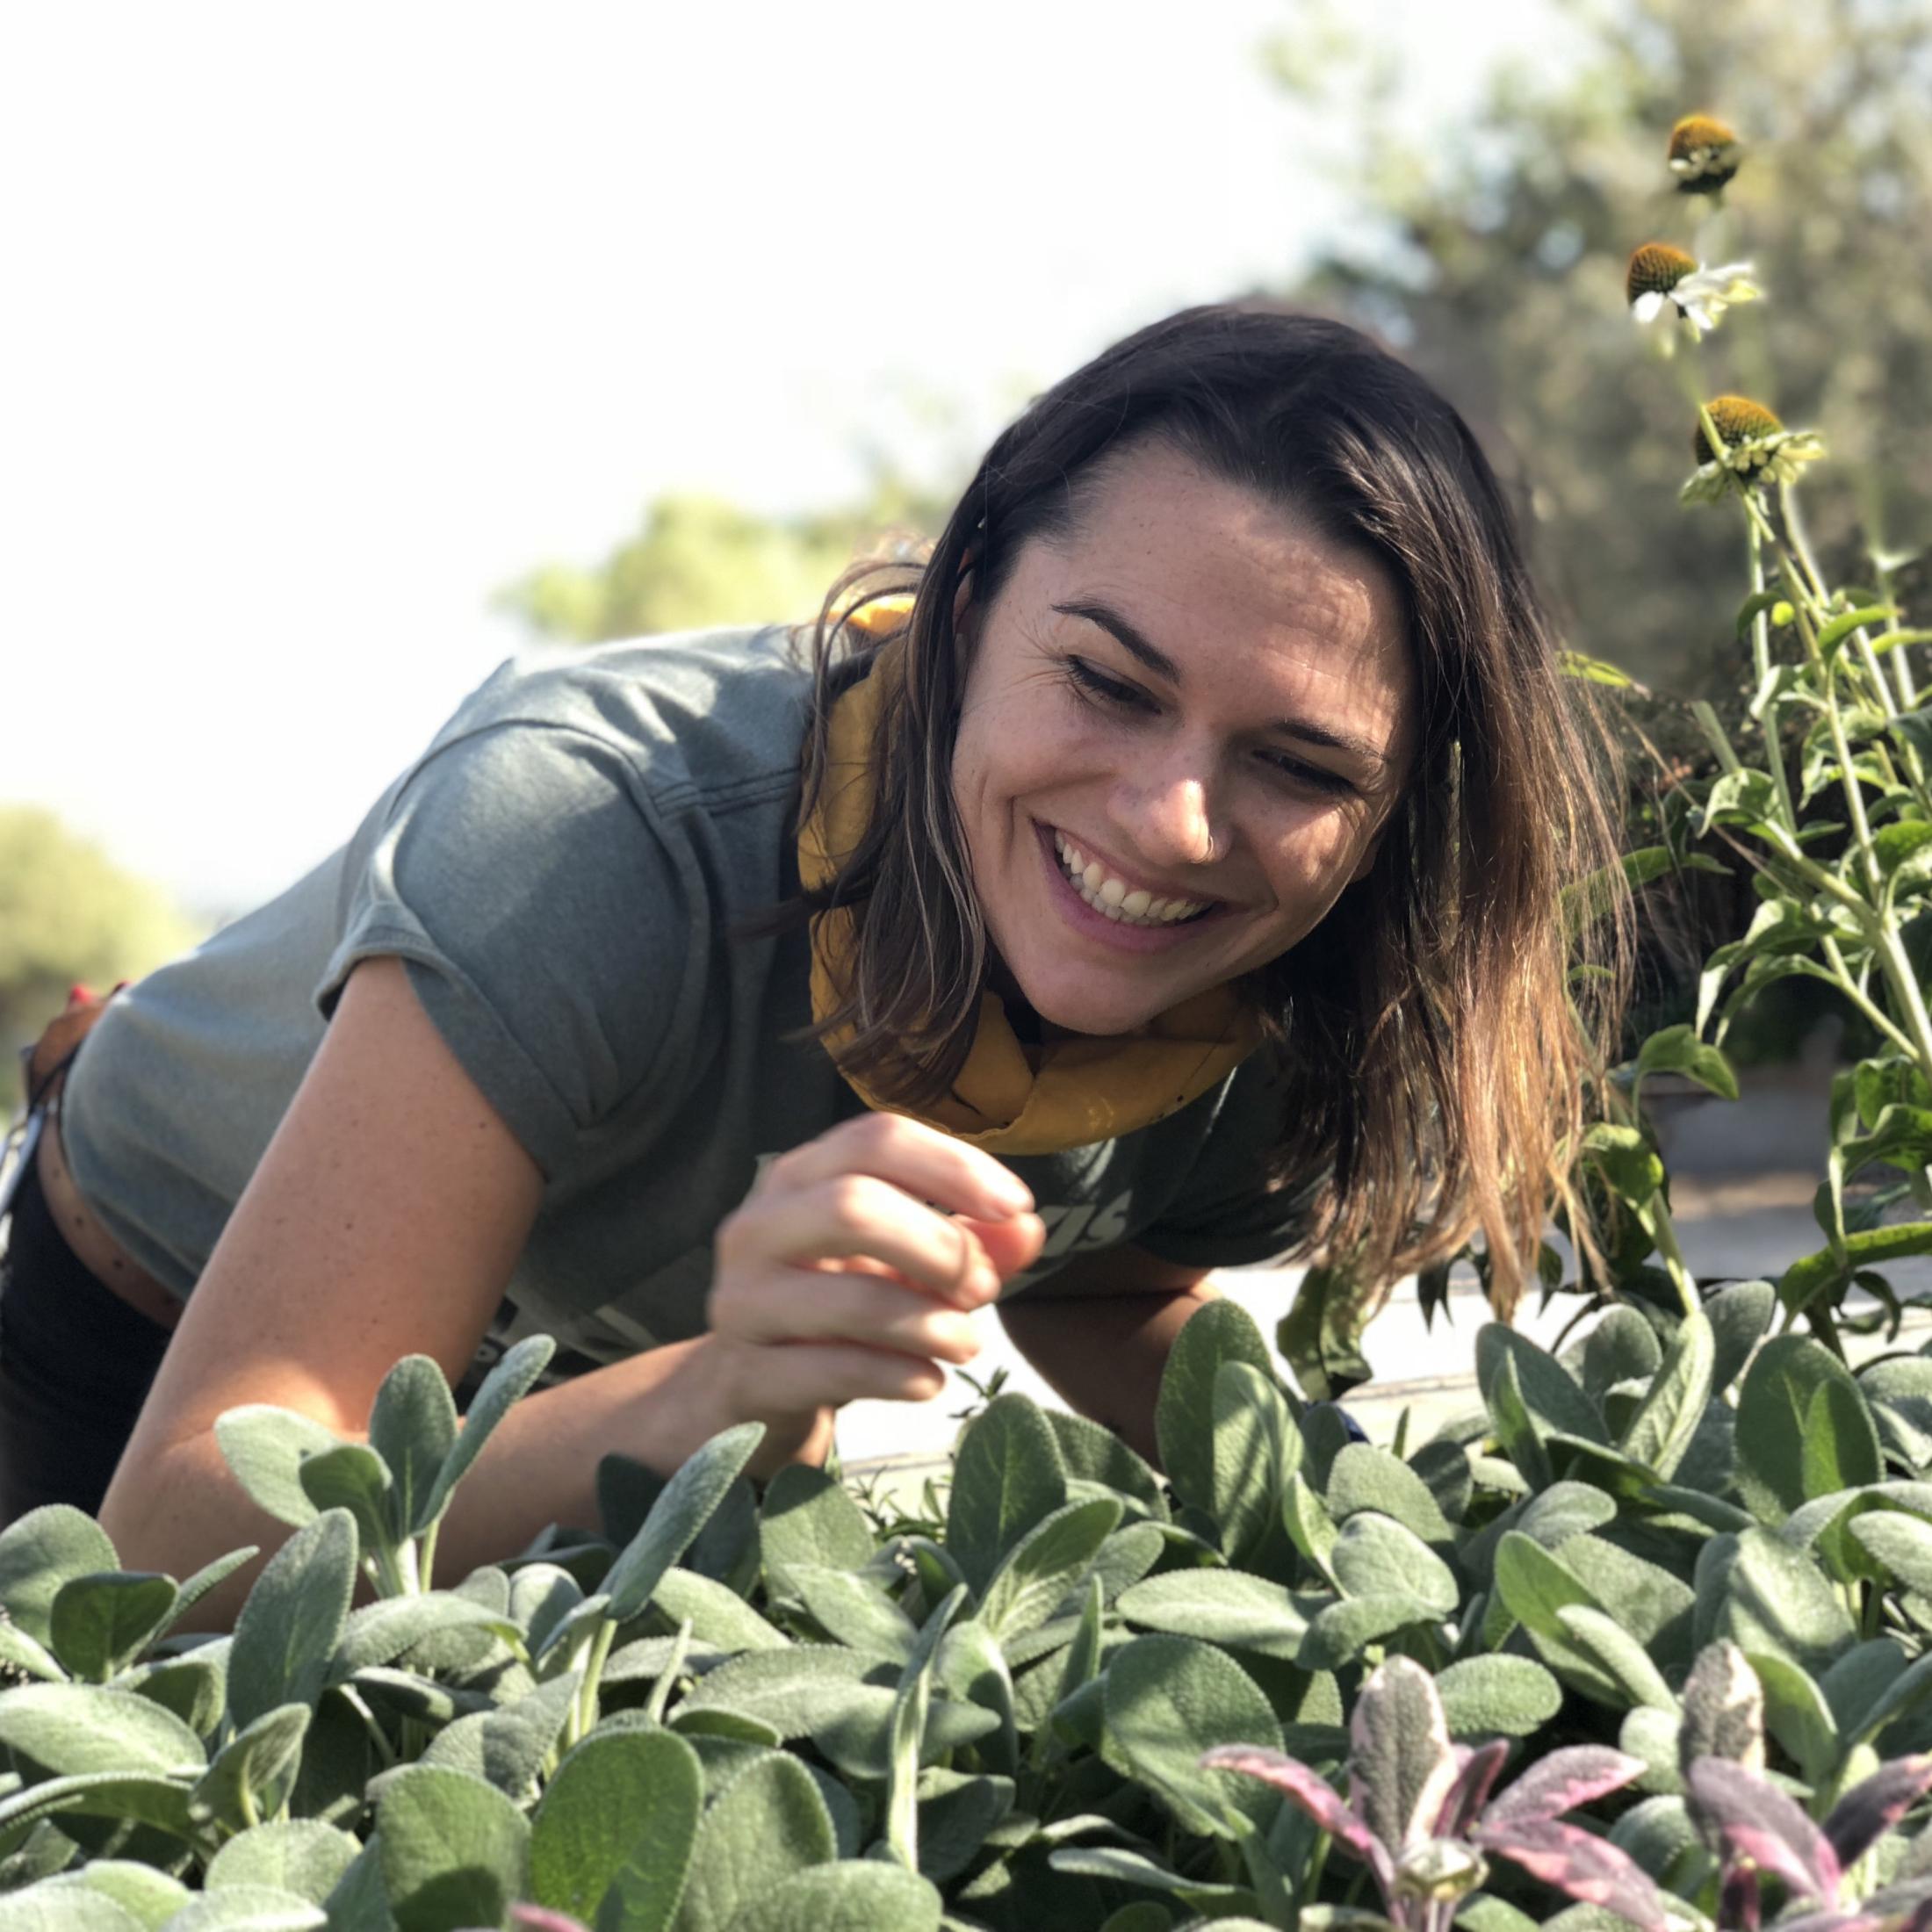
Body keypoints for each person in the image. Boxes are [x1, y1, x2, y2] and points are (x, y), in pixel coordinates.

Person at [0, 306, 1625, 1617]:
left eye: (1302, 766)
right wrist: (717, 1392)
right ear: (967, 607)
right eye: (1108, 684)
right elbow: (171, 1535)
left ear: (1400, 811)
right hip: (114, 1345)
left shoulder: (1292, 966)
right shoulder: (584, 829)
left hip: (576, 1428)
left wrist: (1417, 1544)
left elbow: (1106, 1264)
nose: (1175, 822)